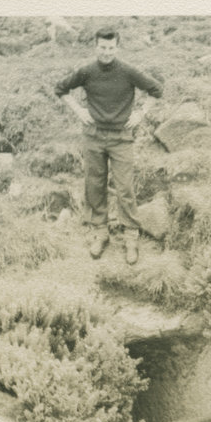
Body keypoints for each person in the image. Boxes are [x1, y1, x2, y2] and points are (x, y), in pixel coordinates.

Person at [54, 27, 163, 265]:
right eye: (102, 48)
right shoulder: (87, 71)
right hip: (93, 136)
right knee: (94, 185)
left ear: (117, 47)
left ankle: (131, 237)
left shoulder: (127, 71)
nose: (106, 52)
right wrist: (78, 110)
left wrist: (141, 113)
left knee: (124, 187)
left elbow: (156, 90)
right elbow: (60, 89)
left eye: (111, 48)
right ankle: (100, 232)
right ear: (96, 46)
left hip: (121, 137)